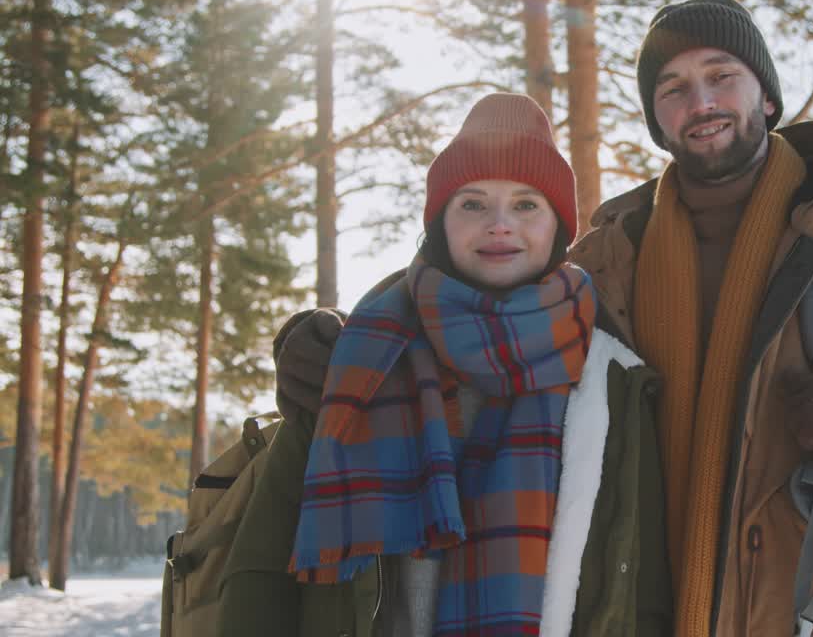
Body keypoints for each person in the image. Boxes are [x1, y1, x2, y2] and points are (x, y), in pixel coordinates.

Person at [277, 0, 813, 636]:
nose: (700, 101)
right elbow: (479, 326)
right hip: (635, 609)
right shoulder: (609, 255)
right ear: (655, 117)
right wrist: (344, 352)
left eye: (721, 76)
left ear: (766, 97)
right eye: (673, 87)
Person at [217, 93, 671, 637]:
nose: (500, 225)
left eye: (526, 204)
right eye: (472, 204)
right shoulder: (361, 358)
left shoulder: (610, 376)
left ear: (558, 229)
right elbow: (261, 571)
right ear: (440, 224)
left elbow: (640, 585)